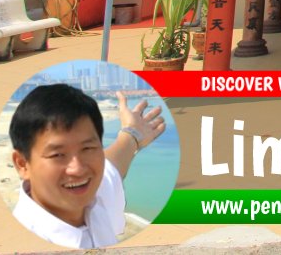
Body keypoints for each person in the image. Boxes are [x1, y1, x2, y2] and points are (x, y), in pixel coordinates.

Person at [9, 84, 166, 249]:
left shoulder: (93, 197)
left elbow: (112, 166)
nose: (77, 169)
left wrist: (132, 134)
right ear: (22, 164)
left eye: (87, 148)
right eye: (57, 155)